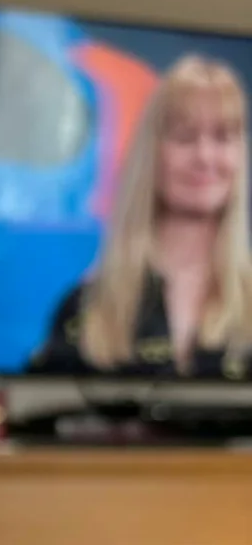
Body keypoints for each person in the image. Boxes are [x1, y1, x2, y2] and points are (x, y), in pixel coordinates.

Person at [31, 56, 252, 378]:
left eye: (223, 137)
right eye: (185, 137)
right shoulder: (85, 309)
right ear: (152, 153)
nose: (205, 157)